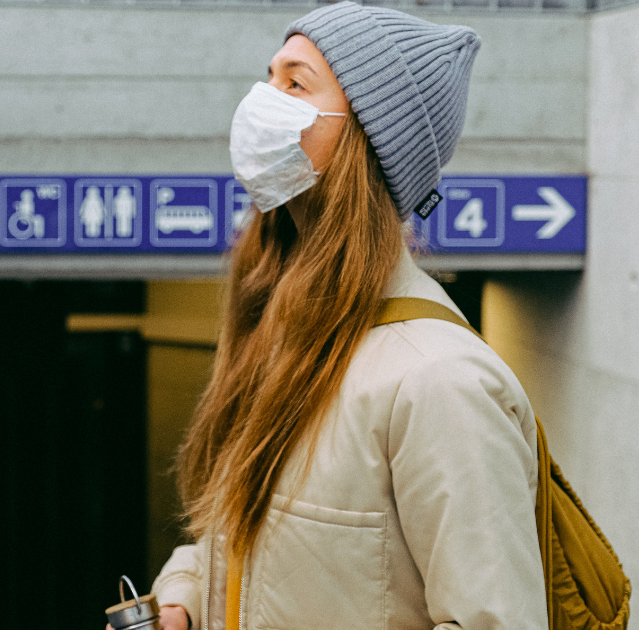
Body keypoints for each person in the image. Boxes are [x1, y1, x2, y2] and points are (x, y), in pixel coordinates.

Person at [148, 3, 548, 630]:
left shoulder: (439, 381)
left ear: (367, 137)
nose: (261, 100)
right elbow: (270, 549)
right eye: (269, 76)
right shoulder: (287, 329)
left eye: (295, 82)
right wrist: (187, 595)